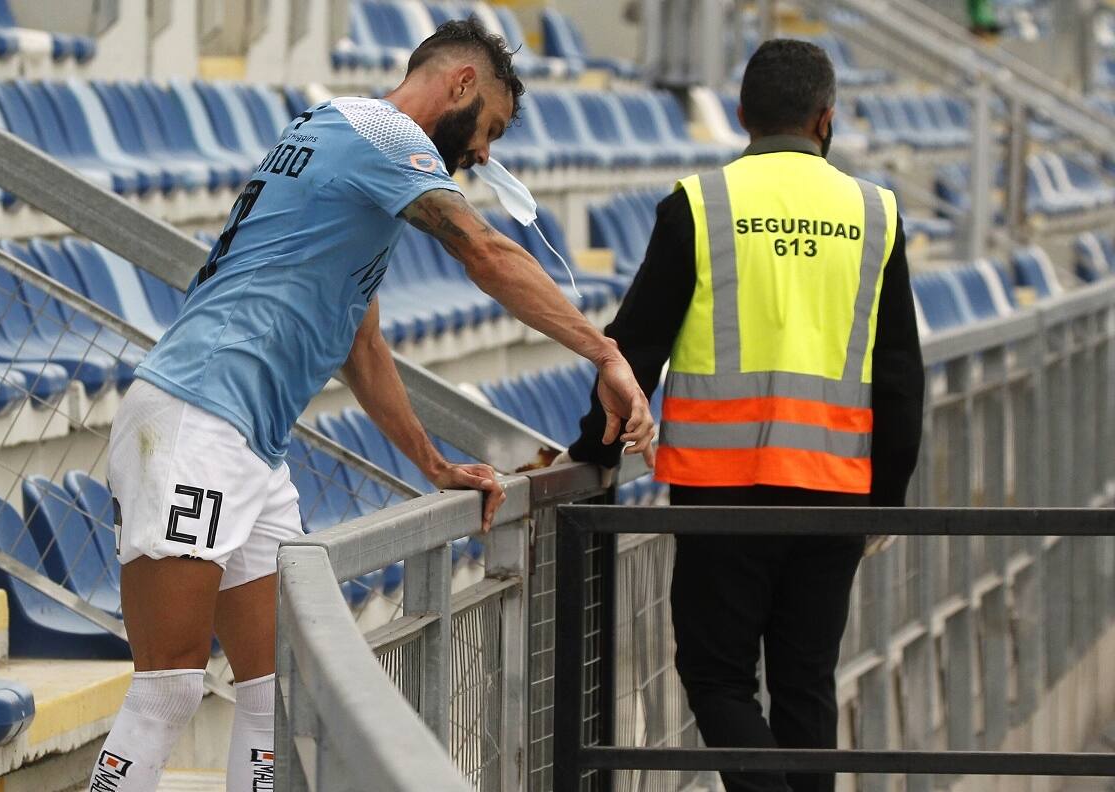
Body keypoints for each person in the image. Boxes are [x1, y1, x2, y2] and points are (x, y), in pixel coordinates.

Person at [87, 18, 655, 792]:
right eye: (489, 129)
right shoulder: (383, 137)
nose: (483, 154)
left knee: (271, 695)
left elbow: (362, 341)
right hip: (195, 417)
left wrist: (432, 462)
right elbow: (486, 252)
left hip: (250, 441)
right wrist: (606, 353)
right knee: (169, 687)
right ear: (461, 83)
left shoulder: (343, 138)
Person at [564, 39, 924, 792]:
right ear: (826, 119)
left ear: (740, 116)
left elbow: (635, 348)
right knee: (806, 684)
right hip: (834, 489)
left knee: (718, 677)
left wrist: (593, 449)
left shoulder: (699, 204)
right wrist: (885, 498)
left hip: (720, 492)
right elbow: (898, 376)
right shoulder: (875, 211)